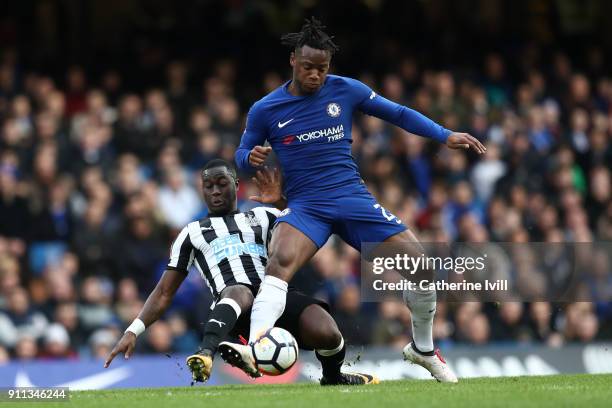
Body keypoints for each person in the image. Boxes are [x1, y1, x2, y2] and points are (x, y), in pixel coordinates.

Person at [224, 17, 486, 383]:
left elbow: (397, 112)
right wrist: (247, 159)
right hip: (307, 206)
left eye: (322, 68)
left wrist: (444, 135)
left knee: (423, 270)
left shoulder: (346, 90)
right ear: (293, 62)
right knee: (280, 261)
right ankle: (256, 346)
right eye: (308, 67)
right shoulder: (266, 109)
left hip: (351, 198)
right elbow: (240, 151)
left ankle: (423, 349)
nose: (315, 75)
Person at [103, 159, 377, 386]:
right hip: (235, 310)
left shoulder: (264, 216)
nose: (215, 191)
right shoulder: (191, 232)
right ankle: (206, 353)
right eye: (208, 186)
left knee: (326, 330)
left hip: (276, 294)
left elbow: (305, 229)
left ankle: (332, 377)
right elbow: (165, 291)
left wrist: (281, 203)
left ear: (236, 185)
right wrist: (133, 330)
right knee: (239, 289)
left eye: (221, 184)